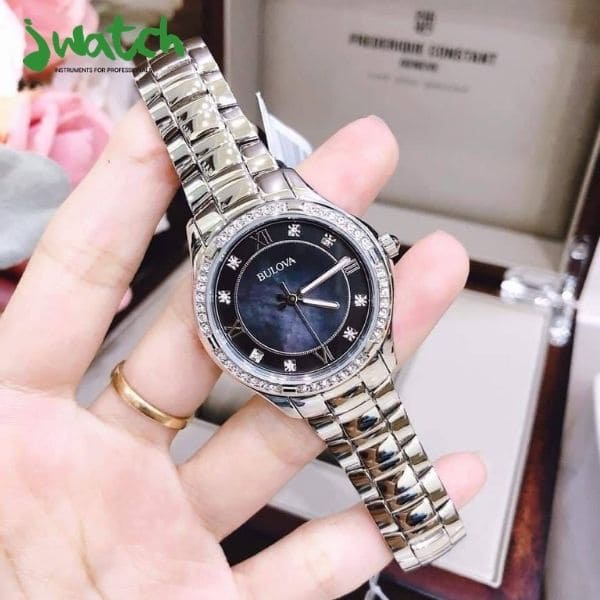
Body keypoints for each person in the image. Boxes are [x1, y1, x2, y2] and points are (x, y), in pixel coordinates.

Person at [0, 105, 485, 599]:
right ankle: (420, 524)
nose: (292, 297)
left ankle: (421, 525)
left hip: (348, 356)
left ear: (374, 249)